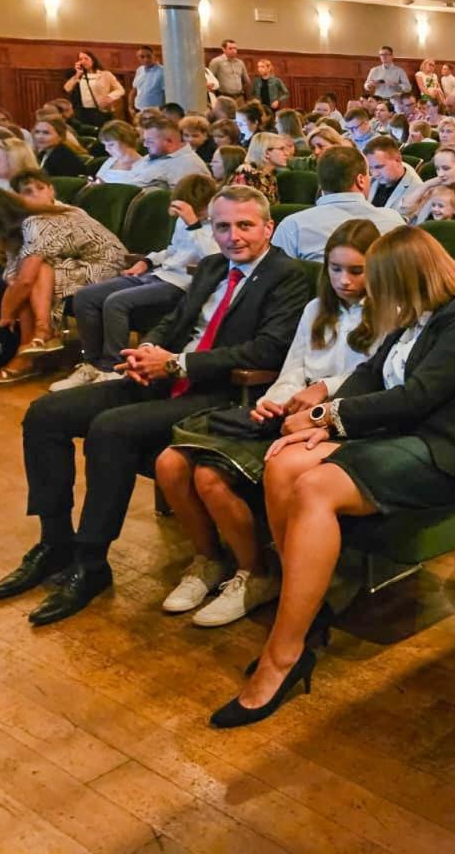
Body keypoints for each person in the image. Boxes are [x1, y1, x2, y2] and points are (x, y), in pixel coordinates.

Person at [221, 226, 455, 727]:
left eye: (379, 279)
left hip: (449, 448)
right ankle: (308, 614)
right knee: (283, 462)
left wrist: (326, 420)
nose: (371, 290)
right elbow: (369, 375)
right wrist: (329, 416)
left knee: (313, 485)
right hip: (399, 435)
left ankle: (284, 654)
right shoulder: (414, 318)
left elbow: (417, 397)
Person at [0, 187, 311, 625]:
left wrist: (176, 363)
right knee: (46, 414)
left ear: (268, 227)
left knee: (111, 428)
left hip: (221, 392)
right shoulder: (214, 266)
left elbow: (267, 350)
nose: (233, 236)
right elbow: (176, 320)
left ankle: (91, 560)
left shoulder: (289, 275)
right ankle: (55, 541)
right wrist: (148, 351)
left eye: (245, 225)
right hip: (166, 377)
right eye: (222, 226)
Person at [154, 220, 384, 627]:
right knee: (169, 464)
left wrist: (318, 396)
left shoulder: (388, 314)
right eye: (334, 269)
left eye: (355, 270)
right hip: (291, 410)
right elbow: (291, 371)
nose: (343, 281)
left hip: (335, 419)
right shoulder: (316, 308)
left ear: (377, 269)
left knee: (209, 477)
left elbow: (374, 378)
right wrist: (271, 403)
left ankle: (256, 572)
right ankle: (208, 560)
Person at [53, 174, 221, 391]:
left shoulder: (218, 224)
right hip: (160, 273)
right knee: (86, 296)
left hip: (182, 283)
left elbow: (214, 258)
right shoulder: (184, 222)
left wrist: (194, 224)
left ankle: (112, 368)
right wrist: (147, 261)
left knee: (116, 302)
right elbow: (173, 250)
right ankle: (92, 364)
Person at [0, 186, 129, 382]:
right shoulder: (17, 231)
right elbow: (12, 274)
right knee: (29, 274)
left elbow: (26, 280)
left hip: (108, 264)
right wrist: (9, 303)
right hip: (73, 264)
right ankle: (32, 345)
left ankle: (41, 337)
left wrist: (6, 314)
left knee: (34, 273)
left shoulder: (37, 223)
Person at [272, 146, 405, 260]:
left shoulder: (292, 227)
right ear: (360, 180)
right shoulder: (394, 221)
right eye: (368, 175)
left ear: (321, 184)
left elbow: (272, 279)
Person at [135, 116, 212, 188]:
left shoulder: (190, 166)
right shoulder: (153, 156)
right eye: (144, 141)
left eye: (150, 141)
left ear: (169, 141)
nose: (145, 145)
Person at [62, 50, 125, 125]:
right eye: (80, 59)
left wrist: (109, 97)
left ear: (93, 60)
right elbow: (67, 88)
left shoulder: (105, 75)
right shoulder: (79, 76)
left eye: (86, 58)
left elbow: (120, 90)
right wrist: (78, 74)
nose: (83, 61)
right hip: (83, 112)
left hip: (100, 110)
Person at [362, 136, 423, 211]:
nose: (374, 174)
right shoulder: (372, 181)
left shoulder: (416, 191)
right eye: (370, 168)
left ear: (398, 160)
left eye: (379, 167)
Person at [226, 132, 283, 203]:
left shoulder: (271, 175)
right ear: (267, 153)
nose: (287, 153)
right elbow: (238, 206)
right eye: (281, 149)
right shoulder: (246, 175)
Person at [131, 47, 165, 113]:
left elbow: (165, 93)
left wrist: (162, 110)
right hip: (138, 108)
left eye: (149, 56)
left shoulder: (162, 71)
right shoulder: (139, 70)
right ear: (138, 58)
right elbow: (134, 90)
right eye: (142, 57)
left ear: (154, 56)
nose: (146, 59)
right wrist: (130, 106)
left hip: (155, 110)